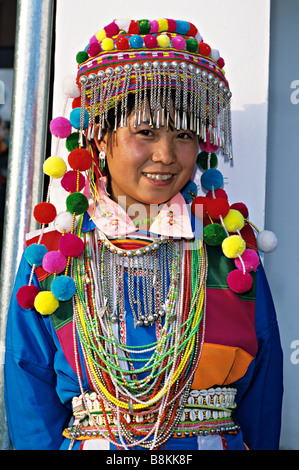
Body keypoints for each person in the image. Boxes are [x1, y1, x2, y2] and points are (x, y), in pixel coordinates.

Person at [4, 18, 283, 451]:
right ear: (98, 136)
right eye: (145, 132)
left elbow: (262, 399)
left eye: (184, 135)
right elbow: (30, 406)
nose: (166, 155)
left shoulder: (233, 256)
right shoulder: (51, 259)